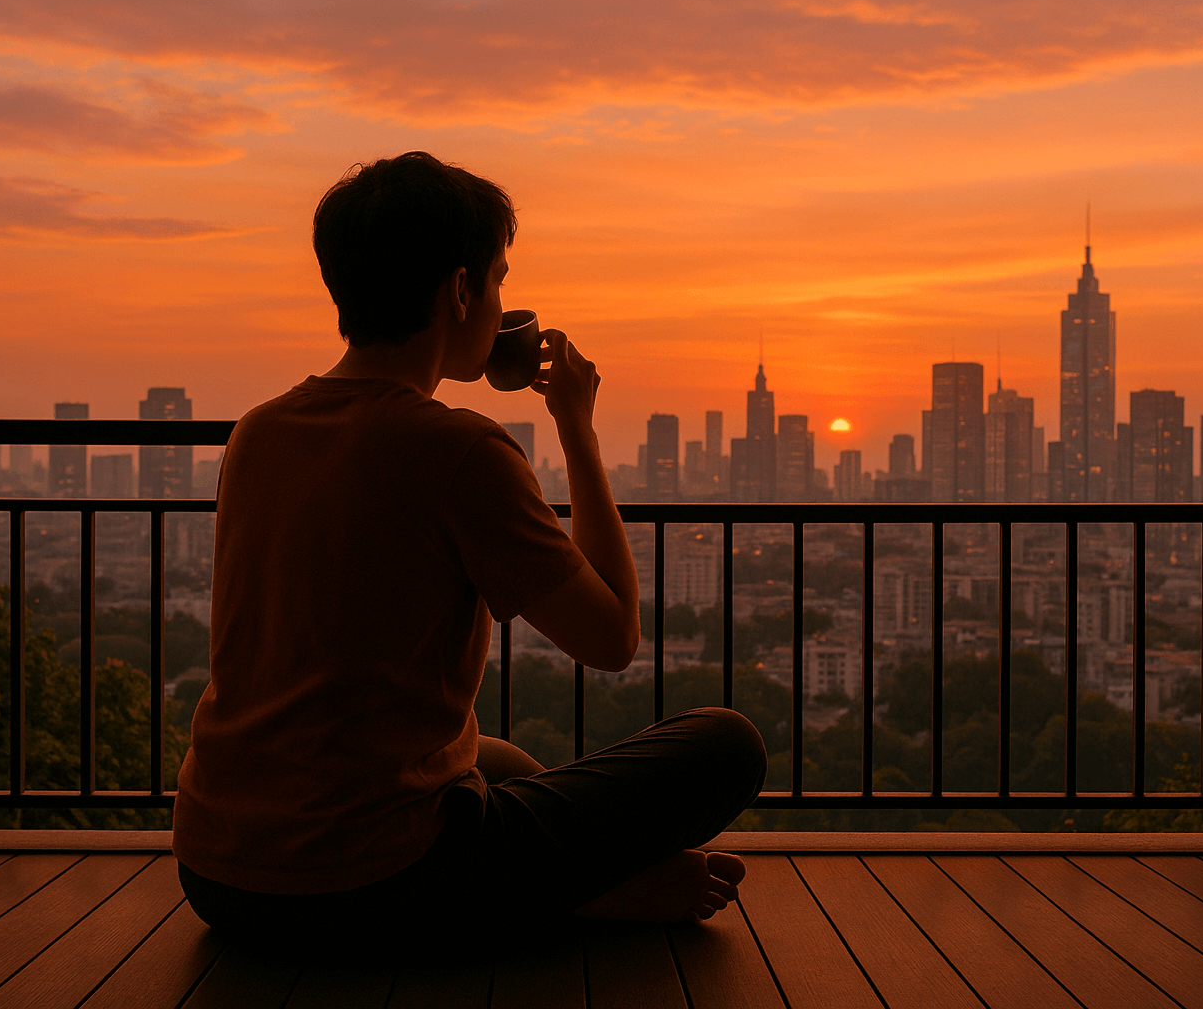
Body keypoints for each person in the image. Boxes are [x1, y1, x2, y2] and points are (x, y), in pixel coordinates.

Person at [171, 151, 766, 952]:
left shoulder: (260, 431)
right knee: (727, 744)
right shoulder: (457, 450)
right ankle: (588, 890)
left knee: (499, 762)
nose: (499, 304)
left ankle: (562, 879)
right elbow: (613, 637)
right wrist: (578, 431)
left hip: (220, 870)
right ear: (459, 292)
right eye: (498, 280)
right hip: (369, 881)